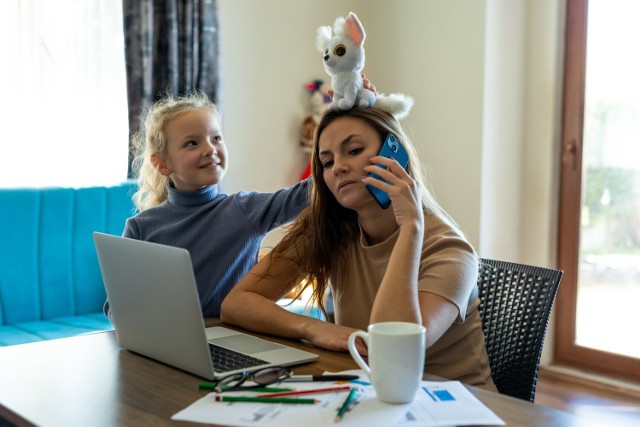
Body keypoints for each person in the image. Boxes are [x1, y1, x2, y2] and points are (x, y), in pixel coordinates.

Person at [220, 106, 497, 390]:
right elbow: (237, 304)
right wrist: (316, 329)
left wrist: (411, 228)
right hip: (373, 394)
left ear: (394, 156)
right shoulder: (331, 228)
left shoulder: (450, 249)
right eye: (327, 162)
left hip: (454, 406)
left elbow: (394, 348)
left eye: (353, 150)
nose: (337, 167)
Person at [103, 92, 310, 318]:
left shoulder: (245, 210)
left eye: (216, 138)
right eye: (192, 143)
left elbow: (305, 192)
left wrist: (345, 110)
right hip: (168, 345)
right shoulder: (140, 227)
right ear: (162, 163)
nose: (210, 149)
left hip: (234, 338)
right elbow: (117, 307)